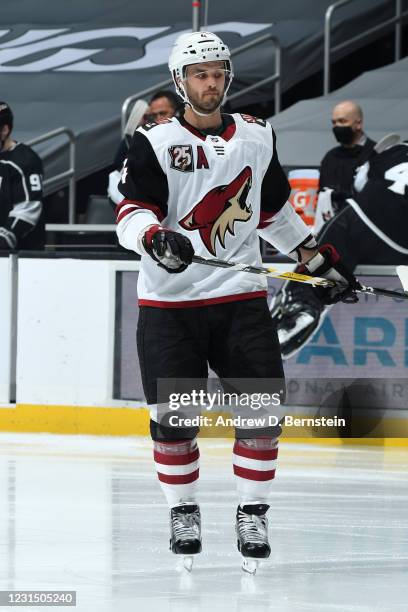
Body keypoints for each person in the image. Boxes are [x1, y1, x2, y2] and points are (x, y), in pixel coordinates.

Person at [115, 31, 359, 572]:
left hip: (239, 298)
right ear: (181, 82)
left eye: (219, 72)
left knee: (260, 414)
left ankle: (252, 512)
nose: (212, 82)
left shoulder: (256, 134)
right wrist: (155, 237)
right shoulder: (152, 141)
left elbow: (270, 212)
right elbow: (131, 212)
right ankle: (183, 511)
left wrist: (312, 257)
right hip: (170, 305)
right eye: (200, 74)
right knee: (174, 421)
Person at [272, 136, 408, 359]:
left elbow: (359, 185)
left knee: (333, 245)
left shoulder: (386, 156)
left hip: (375, 216)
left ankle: (303, 301)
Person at [108, 91, 180, 207]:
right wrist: (139, 123)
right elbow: (119, 165)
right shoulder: (146, 140)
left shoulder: (189, 137)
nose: (158, 119)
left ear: (177, 113)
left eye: (162, 113)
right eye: (153, 116)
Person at [0, 102, 44, 250]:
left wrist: (5, 237)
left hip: (23, 257)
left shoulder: (25, 161)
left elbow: (29, 207)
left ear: (4, 130)